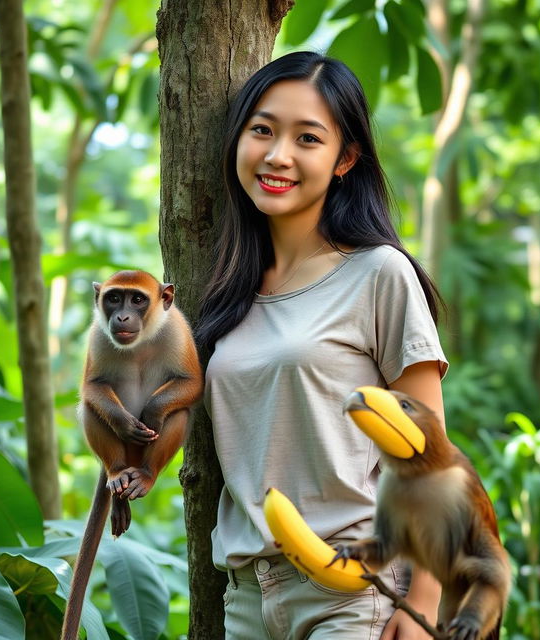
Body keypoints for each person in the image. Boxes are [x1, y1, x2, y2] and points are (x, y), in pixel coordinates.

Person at [196, 51, 448, 640]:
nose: (277, 155)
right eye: (262, 130)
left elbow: (430, 454)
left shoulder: (377, 274)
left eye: (307, 138)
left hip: (353, 594)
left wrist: (426, 604)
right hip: (246, 599)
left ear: (345, 158)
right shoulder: (225, 293)